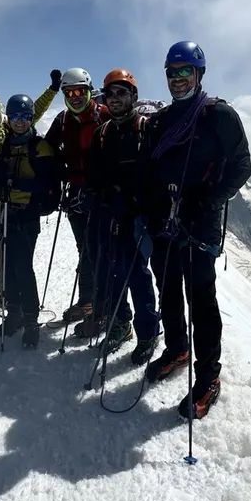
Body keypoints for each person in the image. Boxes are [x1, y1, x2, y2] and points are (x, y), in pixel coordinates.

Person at [138, 42, 251, 420]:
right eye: (172, 73)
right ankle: (177, 349)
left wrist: (208, 201)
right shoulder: (162, 120)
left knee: (201, 300)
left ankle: (208, 377)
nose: (178, 79)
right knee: (167, 289)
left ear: (199, 74)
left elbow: (241, 166)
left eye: (185, 71)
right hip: (165, 220)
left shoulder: (218, 115)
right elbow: (152, 170)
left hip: (198, 222)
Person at [80, 68, 160, 362]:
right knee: (111, 272)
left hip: (137, 217)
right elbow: (94, 174)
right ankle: (120, 323)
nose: (114, 99)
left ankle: (149, 332)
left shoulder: (146, 130)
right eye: (110, 94)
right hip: (108, 214)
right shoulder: (103, 133)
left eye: (121, 93)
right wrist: (92, 194)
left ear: (132, 96)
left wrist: (140, 205)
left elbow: (156, 174)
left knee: (136, 274)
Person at [0, 80, 57, 322]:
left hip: (10, 206)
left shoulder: (10, 128)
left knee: (10, 259)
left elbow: (34, 108)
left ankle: (7, 299)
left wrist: (52, 90)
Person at [0, 93, 60, 348]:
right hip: (8, 210)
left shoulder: (39, 147)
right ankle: (14, 311)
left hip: (27, 213)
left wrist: (13, 181)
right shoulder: (5, 145)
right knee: (7, 265)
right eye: (15, 117)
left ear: (31, 118)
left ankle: (30, 318)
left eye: (25, 117)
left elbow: (45, 182)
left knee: (22, 265)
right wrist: (3, 180)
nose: (19, 122)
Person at [43, 67, 111, 323]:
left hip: (101, 195)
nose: (74, 96)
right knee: (85, 249)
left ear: (89, 91)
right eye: (68, 92)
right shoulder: (62, 120)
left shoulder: (104, 115)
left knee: (101, 250)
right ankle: (88, 301)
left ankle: (103, 306)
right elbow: (46, 149)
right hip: (75, 195)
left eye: (79, 91)